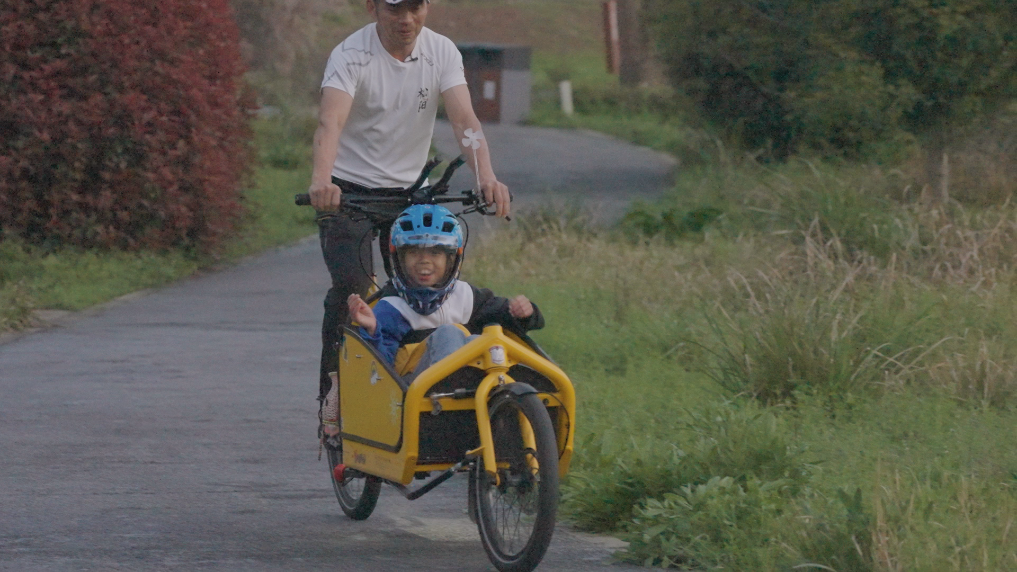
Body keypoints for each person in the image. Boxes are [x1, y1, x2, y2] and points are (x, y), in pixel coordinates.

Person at [306, 0, 512, 416]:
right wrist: (321, 181)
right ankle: (337, 387)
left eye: (414, 8)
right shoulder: (351, 55)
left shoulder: (441, 52)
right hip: (351, 193)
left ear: (427, 7)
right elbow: (331, 123)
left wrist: (486, 176)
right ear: (373, 8)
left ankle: (426, 389)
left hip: (410, 192)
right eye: (394, 10)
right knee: (354, 288)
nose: (406, 20)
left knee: (427, 288)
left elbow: (464, 121)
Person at [348, 204, 543, 378]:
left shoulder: (467, 296)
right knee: (448, 333)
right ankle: (450, 388)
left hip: (471, 391)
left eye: (435, 252)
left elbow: (511, 321)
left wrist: (525, 313)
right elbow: (379, 371)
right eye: (414, 252)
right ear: (399, 258)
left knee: (482, 340)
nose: (424, 260)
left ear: (451, 258)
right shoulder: (391, 306)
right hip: (414, 395)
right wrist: (372, 330)